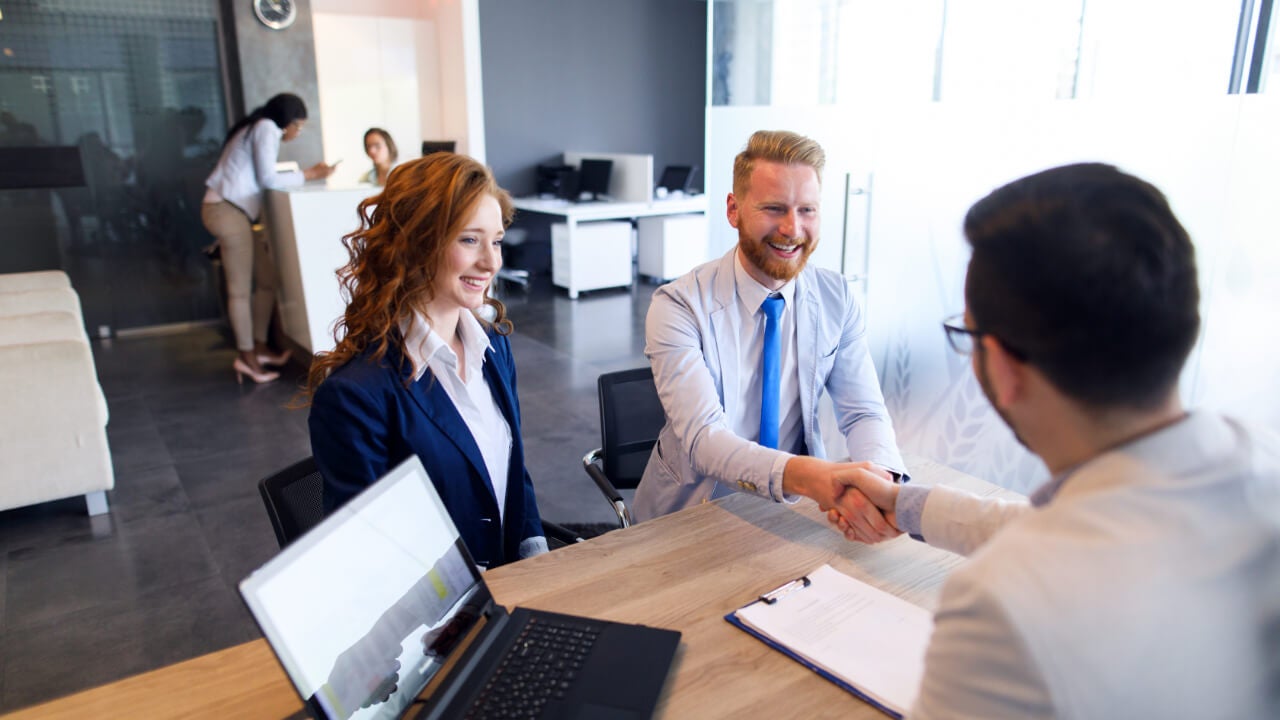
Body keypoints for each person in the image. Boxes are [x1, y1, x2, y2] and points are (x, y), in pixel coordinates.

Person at [827, 163, 1280, 718]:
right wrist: (905, 503)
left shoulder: (1004, 609)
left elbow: (1067, 544)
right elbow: (1077, 528)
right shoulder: (1257, 467)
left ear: (1002, 363)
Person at [631, 129, 905, 536]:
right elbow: (705, 440)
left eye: (807, 210)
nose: (793, 229)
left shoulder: (837, 297)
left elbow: (863, 411)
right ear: (733, 209)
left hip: (793, 515)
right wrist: (817, 478)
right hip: (689, 518)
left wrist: (879, 485)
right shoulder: (679, 305)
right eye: (775, 208)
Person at [304, 153, 549, 569]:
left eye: (497, 240)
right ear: (419, 243)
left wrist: (538, 566)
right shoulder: (355, 396)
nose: (492, 262)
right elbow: (371, 555)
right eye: (469, 240)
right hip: (441, 616)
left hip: (514, 585)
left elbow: (514, 473)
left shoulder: (494, 347)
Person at [202, 92, 336, 384]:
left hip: (230, 211)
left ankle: (260, 346)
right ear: (287, 122)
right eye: (298, 126)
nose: (297, 133)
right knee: (239, 290)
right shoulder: (266, 128)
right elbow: (267, 178)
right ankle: (246, 357)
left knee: (267, 281)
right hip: (226, 210)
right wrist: (310, 174)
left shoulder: (257, 127)